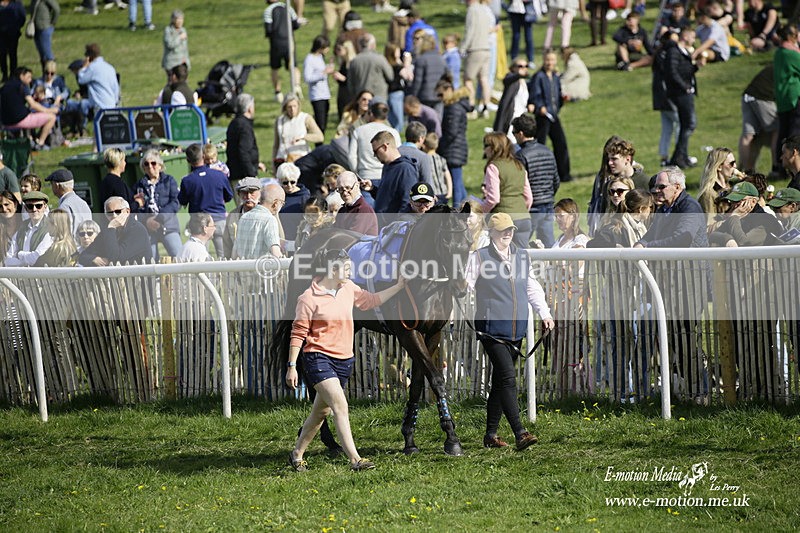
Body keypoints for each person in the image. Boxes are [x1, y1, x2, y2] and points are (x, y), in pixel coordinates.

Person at [287, 249, 407, 472]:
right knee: (340, 406)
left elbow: (371, 301)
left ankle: (297, 454)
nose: (351, 272)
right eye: (347, 268)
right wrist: (292, 366)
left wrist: (399, 287)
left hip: (344, 361)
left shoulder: (349, 288)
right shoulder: (308, 298)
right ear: (333, 269)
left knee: (319, 413)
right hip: (317, 359)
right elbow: (298, 332)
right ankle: (355, 460)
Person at [465, 212, 554, 450]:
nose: (508, 233)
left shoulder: (521, 256)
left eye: (511, 229)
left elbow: (532, 287)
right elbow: (465, 286)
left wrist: (544, 314)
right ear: (492, 232)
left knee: (500, 382)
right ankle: (520, 432)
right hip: (490, 329)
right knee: (508, 378)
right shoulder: (479, 257)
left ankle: (491, 435)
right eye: (503, 230)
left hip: (516, 329)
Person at [178, 143, 234, 259]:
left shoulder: (187, 181)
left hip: (199, 224)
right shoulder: (219, 175)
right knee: (224, 258)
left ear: (188, 160)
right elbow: (229, 196)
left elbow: (182, 201)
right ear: (203, 156)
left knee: (200, 260)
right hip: (219, 220)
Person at [513, 113, 559, 249]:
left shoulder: (521, 155)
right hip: (548, 204)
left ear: (521, 133)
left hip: (531, 207)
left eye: (514, 133)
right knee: (549, 246)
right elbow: (556, 180)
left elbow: (519, 184)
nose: (514, 137)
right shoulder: (547, 151)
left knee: (519, 245)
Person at [480, 132, 533, 248]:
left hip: (503, 221)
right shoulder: (518, 165)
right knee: (521, 259)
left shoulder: (493, 167)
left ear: (493, 148)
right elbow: (529, 198)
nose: (484, 150)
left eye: (486, 146)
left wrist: (481, 212)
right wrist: (522, 212)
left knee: (500, 260)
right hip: (524, 219)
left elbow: (494, 198)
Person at [529, 51, 572, 183]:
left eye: (552, 60)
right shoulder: (538, 76)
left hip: (553, 115)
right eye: (548, 60)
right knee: (540, 146)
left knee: (561, 144)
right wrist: (540, 107)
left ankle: (564, 175)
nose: (550, 63)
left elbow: (557, 94)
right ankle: (537, 176)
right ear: (543, 60)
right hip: (543, 117)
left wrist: (563, 99)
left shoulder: (555, 76)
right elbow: (535, 95)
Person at [132, 149, 181, 259]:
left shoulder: (169, 180)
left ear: (160, 165)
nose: (150, 166)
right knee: (150, 259)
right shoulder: (139, 185)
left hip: (167, 225)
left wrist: (160, 218)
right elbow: (135, 208)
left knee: (178, 255)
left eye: (153, 163)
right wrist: (146, 220)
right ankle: (154, 277)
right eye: (146, 164)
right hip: (147, 227)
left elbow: (176, 202)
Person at [78, 196, 152, 266]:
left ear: (127, 211)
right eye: (109, 213)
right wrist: (93, 259)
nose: (114, 216)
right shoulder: (108, 230)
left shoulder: (138, 230)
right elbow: (83, 256)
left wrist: (111, 228)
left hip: (140, 277)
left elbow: (116, 258)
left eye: (118, 212)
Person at [0, 66, 58, 151]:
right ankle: (40, 144)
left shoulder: (5, 86)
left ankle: (29, 139)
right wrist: (49, 110)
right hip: (19, 120)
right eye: (28, 77)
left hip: (4, 123)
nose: (30, 80)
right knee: (52, 117)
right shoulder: (22, 86)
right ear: (21, 76)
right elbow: (33, 104)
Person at [664, 27, 699, 170]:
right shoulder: (674, 51)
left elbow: (685, 71)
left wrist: (696, 66)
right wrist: (685, 86)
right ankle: (679, 156)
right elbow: (672, 72)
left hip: (686, 92)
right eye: (692, 37)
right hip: (680, 93)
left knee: (686, 125)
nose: (694, 40)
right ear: (685, 36)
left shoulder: (683, 52)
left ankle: (680, 156)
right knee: (689, 124)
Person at [709, 180, 782, 246]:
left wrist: (734, 216)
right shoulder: (740, 217)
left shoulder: (766, 220)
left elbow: (744, 242)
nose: (734, 205)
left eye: (738, 201)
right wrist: (726, 238)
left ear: (753, 201)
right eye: (732, 201)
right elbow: (710, 235)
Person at [435, 78, 470, 208]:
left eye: (440, 94)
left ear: (449, 90)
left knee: (456, 184)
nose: (439, 98)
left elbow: (451, 132)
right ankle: (468, 206)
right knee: (458, 183)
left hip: (453, 149)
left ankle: (457, 210)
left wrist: (439, 145)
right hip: (455, 148)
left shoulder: (453, 107)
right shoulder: (454, 106)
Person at [348, 101, 401, 184]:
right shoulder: (393, 132)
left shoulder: (359, 131)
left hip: (366, 176)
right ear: (385, 117)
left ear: (371, 113)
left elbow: (352, 157)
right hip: (388, 175)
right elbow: (398, 155)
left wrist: (357, 173)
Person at [739, 65, 778, 174]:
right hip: (763, 97)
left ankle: (746, 172)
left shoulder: (780, 60)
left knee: (748, 135)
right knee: (777, 129)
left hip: (748, 94)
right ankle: (776, 168)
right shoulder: (794, 61)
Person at [371, 130, 419, 215]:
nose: (375, 155)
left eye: (376, 151)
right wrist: (372, 189)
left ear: (385, 146)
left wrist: (397, 225)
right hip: (383, 225)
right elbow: (386, 198)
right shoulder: (387, 166)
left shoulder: (405, 169)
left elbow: (408, 202)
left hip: (394, 225)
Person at [233, 184, 284, 259]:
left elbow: (235, 251)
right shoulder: (270, 220)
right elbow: (275, 251)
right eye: (282, 203)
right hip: (261, 269)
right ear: (275, 203)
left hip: (242, 269)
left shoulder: (243, 217)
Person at [461, 0, 494, 116]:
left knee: (468, 79)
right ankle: (485, 107)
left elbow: (470, 31)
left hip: (475, 48)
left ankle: (471, 108)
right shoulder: (484, 9)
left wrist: (463, 48)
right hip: (486, 48)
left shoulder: (472, 10)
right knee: (484, 79)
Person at [273, 94, 324, 169]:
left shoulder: (305, 118)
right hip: (283, 159)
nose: (292, 109)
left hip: (301, 158)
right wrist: (273, 163)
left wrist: (303, 137)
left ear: (298, 106)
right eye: (289, 107)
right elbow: (276, 144)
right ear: (285, 107)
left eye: (294, 106)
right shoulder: (280, 120)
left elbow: (320, 137)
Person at [264, 0, 301, 103]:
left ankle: (278, 92)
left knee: (275, 68)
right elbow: (296, 24)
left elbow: (268, 29)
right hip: (290, 41)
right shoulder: (288, 7)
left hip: (276, 43)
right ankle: (297, 86)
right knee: (293, 65)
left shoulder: (268, 10)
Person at [226, 94, 266, 186]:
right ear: (249, 109)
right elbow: (243, 152)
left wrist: (256, 164)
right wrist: (251, 174)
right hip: (244, 177)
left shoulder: (233, 123)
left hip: (234, 172)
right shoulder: (245, 127)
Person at [4, 190, 51, 266]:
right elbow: (8, 259)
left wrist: (20, 254)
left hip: (42, 276)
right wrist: (23, 263)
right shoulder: (22, 228)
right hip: (21, 276)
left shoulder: (50, 228)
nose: (34, 209)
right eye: (30, 206)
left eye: (38, 206)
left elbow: (36, 258)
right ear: (25, 208)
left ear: (45, 207)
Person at [774, 25, 800, 156]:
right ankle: (793, 162)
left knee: (783, 133)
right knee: (794, 134)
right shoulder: (792, 53)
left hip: (782, 98)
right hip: (793, 98)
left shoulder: (779, 52)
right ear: (793, 37)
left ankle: (780, 166)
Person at [347, 34, 394, 102]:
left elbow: (350, 84)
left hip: (361, 98)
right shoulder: (379, 59)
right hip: (379, 96)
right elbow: (390, 76)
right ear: (372, 45)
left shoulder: (354, 61)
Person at [222, 177, 262, 259]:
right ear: (238, 194)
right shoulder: (233, 216)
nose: (248, 196)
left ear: (260, 193)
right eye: (244, 193)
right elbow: (227, 244)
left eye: (252, 192)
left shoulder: (268, 214)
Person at [304, 35, 335, 137]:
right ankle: (319, 144)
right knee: (320, 122)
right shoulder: (310, 59)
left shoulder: (320, 57)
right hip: (317, 95)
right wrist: (323, 73)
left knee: (324, 120)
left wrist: (328, 67)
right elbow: (307, 77)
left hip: (325, 94)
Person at [408, 32, 446, 113]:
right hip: (439, 95)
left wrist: (413, 96)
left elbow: (418, 81)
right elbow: (448, 76)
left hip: (424, 96)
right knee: (437, 122)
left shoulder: (421, 59)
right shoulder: (441, 59)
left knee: (425, 121)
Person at [77, 43, 120, 114]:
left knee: (100, 125)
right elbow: (115, 87)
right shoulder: (110, 67)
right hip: (112, 105)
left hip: (100, 106)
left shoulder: (92, 68)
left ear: (89, 56)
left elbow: (81, 80)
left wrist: (84, 67)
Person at [332, 170, 378, 236]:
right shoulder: (342, 210)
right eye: (341, 189)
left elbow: (351, 239)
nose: (345, 193)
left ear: (357, 186)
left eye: (348, 188)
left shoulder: (364, 210)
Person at [44, 169, 90, 234]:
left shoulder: (64, 206)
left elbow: (63, 233)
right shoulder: (83, 203)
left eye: (51, 184)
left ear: (57, 186)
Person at [494, 59, 530, 142]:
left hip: (522, 119)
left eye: (526, 66)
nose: (523, 68)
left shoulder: (524, 82)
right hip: (511, 119)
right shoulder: (512, 80)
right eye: (520, 66)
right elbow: (506, 80)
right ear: (513, 68)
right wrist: (518, 75)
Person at [697, 147, 740, 216]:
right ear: (719, 167)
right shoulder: (708, 194)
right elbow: (709, 225)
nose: (735, 166)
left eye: (735, 162)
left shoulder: (733, 187)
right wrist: (732, 215)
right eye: (732, 163)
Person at [277, 162, 310, 242]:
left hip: (298, 237)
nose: (289, 185)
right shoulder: (277, 194)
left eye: (292, 182)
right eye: (285, 183)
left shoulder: (304, 197)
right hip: (280, 236)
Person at [30, 0, 59, 75]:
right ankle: (45, 74)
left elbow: (56, 9)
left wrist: (52, 23)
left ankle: (51, 74)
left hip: (44, 28)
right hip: (36, 28)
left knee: (47, 54)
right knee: (42, 54)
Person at [0, 0, 26, 83]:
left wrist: (16, 27)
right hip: (1, 34)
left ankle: (13, 74)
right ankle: (4, 74)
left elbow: (22, 17)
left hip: (13, 33)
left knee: (12, 54)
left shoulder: (17, 4)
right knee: (2, 54)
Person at [423, 133, 452, 204]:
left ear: (424, 146)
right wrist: (450, 192)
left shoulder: (423, 160)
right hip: (443, 192)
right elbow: (448, 176)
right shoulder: (442, 159)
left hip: (432, 194)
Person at [506, 0, 535, 69]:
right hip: (514, 10)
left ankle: (530, 59)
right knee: (516, 36)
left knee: (528, 37)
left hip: (527, 9)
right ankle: (514, 58)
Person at [162, 9, 189, 79]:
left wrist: (187, 62)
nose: (180, 21)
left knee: (183, 83)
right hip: (172, 63)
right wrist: (179, 37)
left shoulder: (183, 30)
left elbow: (185, 48)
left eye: (182, 19)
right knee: (172, 83)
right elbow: (170, 44)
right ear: (173, 20)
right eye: (178, 19)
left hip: (182, 63)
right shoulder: (168, 30)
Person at [0, 190, 21, 256]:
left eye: (6, 204)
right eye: (0, 206)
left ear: (15, 204)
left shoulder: (26, 226)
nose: (4, 209)